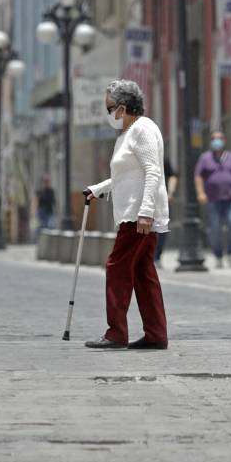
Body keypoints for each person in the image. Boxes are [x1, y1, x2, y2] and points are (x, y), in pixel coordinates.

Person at [83, 79, 169, 350]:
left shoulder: (142, 129)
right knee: (143, 273)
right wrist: (97, 189)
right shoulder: (126, 135)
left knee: (117, 267)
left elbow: (152, 171)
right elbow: (124, 177)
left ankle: (116, 332)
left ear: (123, 108)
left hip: (138, 216)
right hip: (133, 214)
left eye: (110, 108)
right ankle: (156, 334)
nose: (109, 114)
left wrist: (145, 212)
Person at [195, 131, 231, 268]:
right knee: (215, 228)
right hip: (213, 199)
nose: (216, 141)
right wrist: (201, 193)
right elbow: (198, 176)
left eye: (219, 138)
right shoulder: (205, 158)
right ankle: (218, 255)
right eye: (213, 139)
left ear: (224, 140)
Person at [153, 157, 178, 269]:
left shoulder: (162, 159)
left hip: (163, 200)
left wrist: (171, 193)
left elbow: (172, 175)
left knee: (162, 229)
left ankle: (157, 256)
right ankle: (149, 256)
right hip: (146, 200)